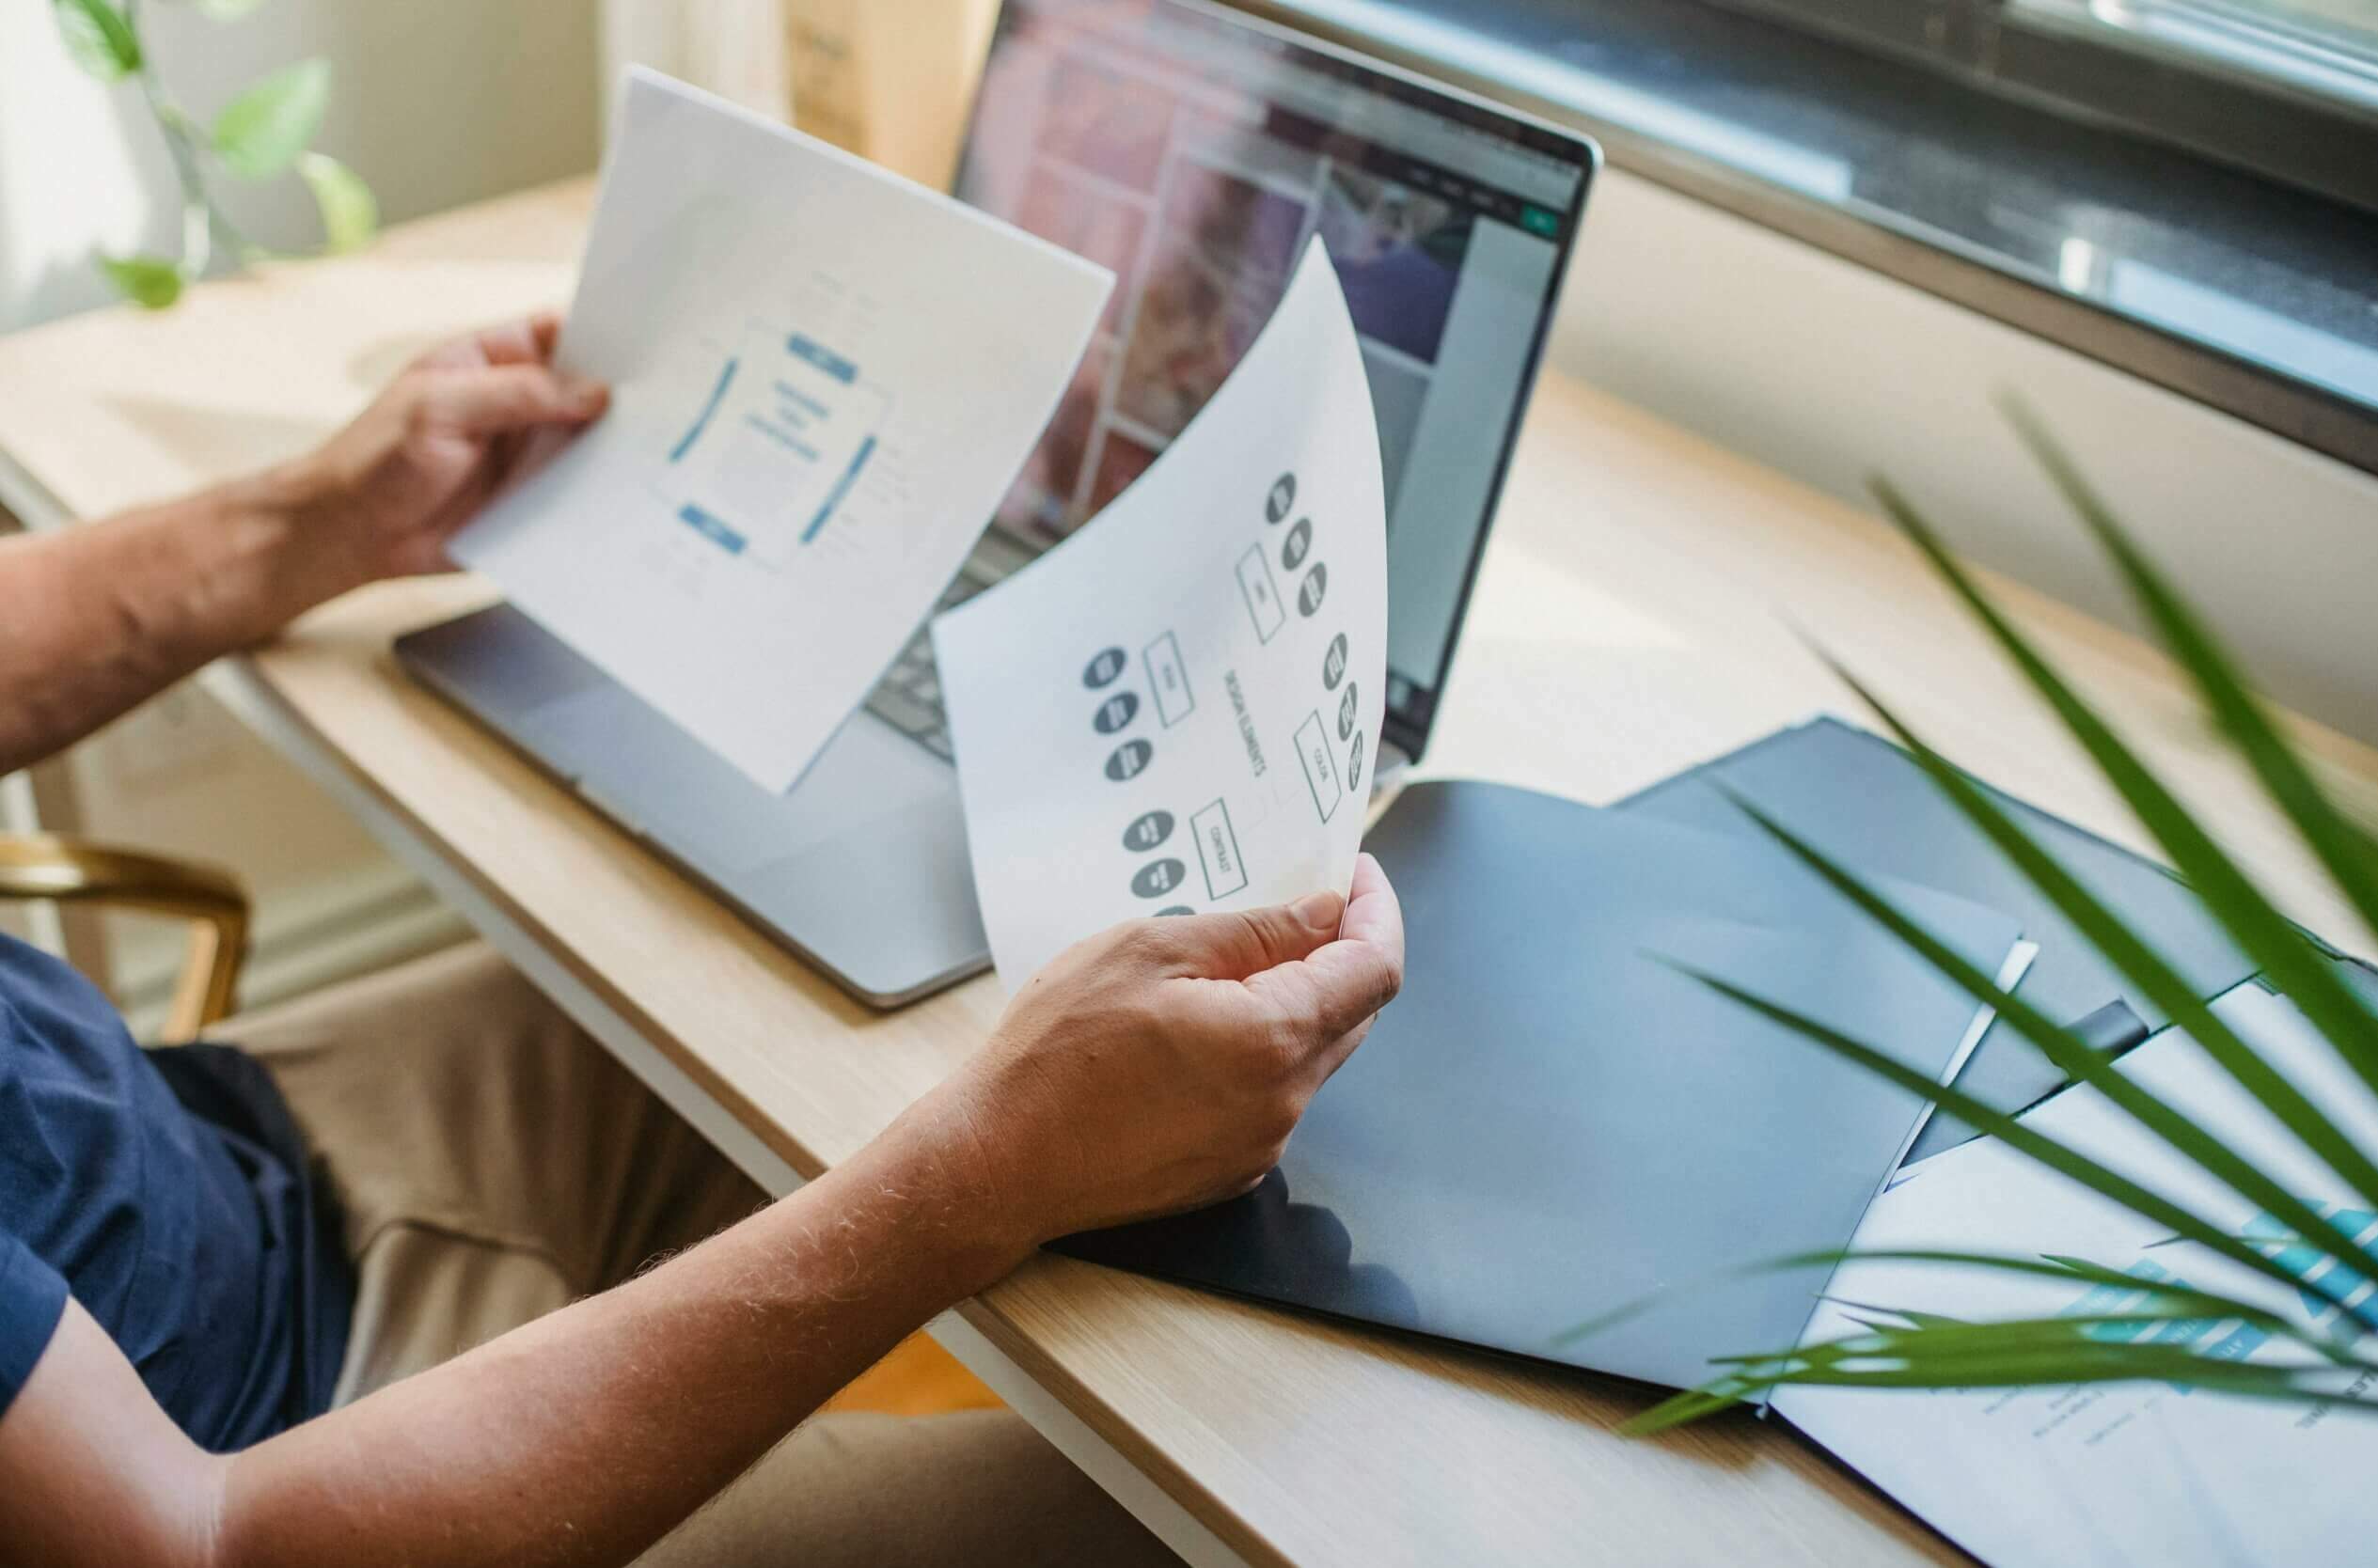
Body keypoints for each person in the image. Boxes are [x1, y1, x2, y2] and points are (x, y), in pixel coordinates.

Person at [0, 316, 1405, 1567]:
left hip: (184, 1159)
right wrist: (979, 1178)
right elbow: (198, 1541)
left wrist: (310, 522)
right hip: (271, 1475)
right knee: (1213, 1511)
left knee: (827, 989)